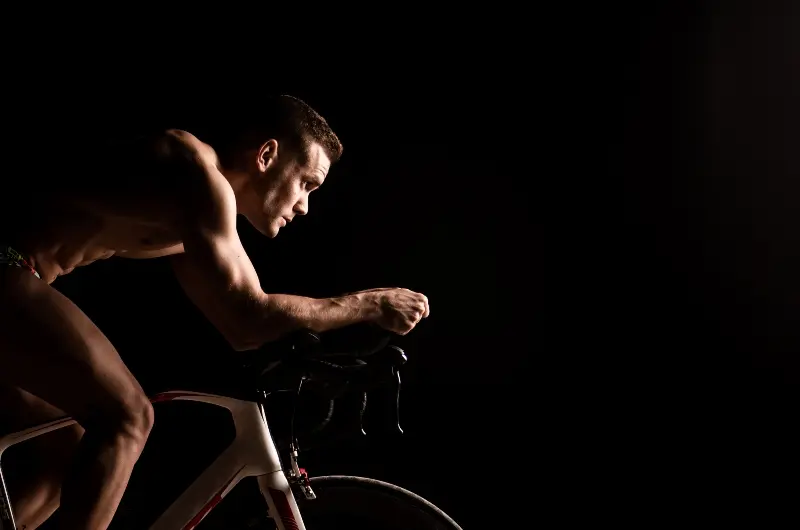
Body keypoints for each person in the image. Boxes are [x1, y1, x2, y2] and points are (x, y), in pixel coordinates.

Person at [0, 95, 430, 529]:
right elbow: (251, 314)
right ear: (267, 155)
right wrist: (370, 303)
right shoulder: (194, 173)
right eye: (307, 183)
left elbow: (240, 326)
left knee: (66, 455)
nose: (304, 206)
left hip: (19, 275)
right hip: (6, 265)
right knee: (128, 419)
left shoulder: (196, 211)